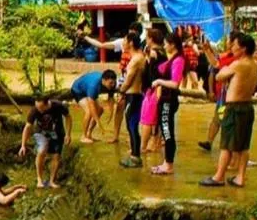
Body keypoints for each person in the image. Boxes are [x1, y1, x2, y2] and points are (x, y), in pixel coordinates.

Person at [201, 34, 257, 187]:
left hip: (234, 108)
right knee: (243, 145)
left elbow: (219, 76)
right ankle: (240, 177)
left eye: (235, 45)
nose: (232, 47)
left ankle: (219, 177)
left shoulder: (238, 64)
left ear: (243, 48)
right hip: (248, 106)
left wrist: (226, 69)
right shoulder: (254, 64)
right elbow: (219, 66)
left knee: (226, 144)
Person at [149, 34, 186, 176]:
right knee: (166, 132)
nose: (164, 46)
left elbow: (175, 83)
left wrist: (159, 82)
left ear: (172, 45)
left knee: (167, 132)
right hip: (165, 100)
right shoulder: (172, 60)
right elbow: (159, 69)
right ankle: (166, 162)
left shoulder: (178, 60)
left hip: (169, 101)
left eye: (166, 43)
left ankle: (169, 165)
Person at [19, 96, 72, 188]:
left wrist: (68, 134)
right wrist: (23, 145)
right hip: (41, 132)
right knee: (42, 150)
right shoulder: (34, 110)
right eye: (37, 107)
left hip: (57, 132)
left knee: (56, 156)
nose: (38, 110)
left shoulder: (58, 105)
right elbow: (27, 127)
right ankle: (39, 180)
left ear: (47, 104)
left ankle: (52, 181)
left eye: (40, 108)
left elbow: (68, 117)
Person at [198, 33, 240, 152]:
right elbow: (216, 64)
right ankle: (211, 142)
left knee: (226, 120)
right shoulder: (228, 56)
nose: (226, 42)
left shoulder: (237, 59)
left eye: (228, 40)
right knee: (219, 118)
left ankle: (229, 148)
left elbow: (216, 66)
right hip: (224, 94)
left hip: (229, 95)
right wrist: (207, 50)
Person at [118, 33, 147, 168]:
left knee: (132, 126)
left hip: (134, 95)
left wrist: (121, 90)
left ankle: (135, 157)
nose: (123, 43)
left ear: (130, 42)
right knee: (131, 126)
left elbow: (129, 80)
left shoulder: (136, 59)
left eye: (124, 40)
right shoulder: (138, 57)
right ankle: (134, 155)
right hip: (133, 95)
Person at [69, 70, 117, 143]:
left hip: (87, 91)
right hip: (78, 91)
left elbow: (110, 99)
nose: (113, 85)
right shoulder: (93, 85)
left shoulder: (111, 84)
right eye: (111, 83)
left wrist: (111, 114)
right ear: (104, 80)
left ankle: (89, 134)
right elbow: (91, 106)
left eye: (114, 82)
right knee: (89, 112)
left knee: (100, 110)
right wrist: (98, 122)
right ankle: (83, 136)